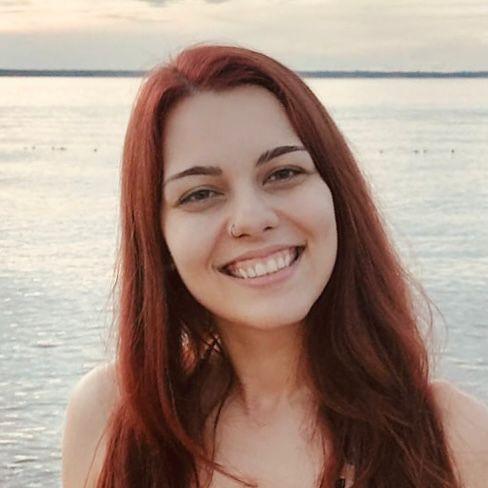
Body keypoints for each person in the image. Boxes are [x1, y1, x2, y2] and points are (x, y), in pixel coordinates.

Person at [61, 43, 488, 488]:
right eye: (200, 194)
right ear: (159, 239)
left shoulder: (454, 440)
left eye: (283, 173)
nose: (251, 219)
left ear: (336, 195)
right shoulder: (112, 419)